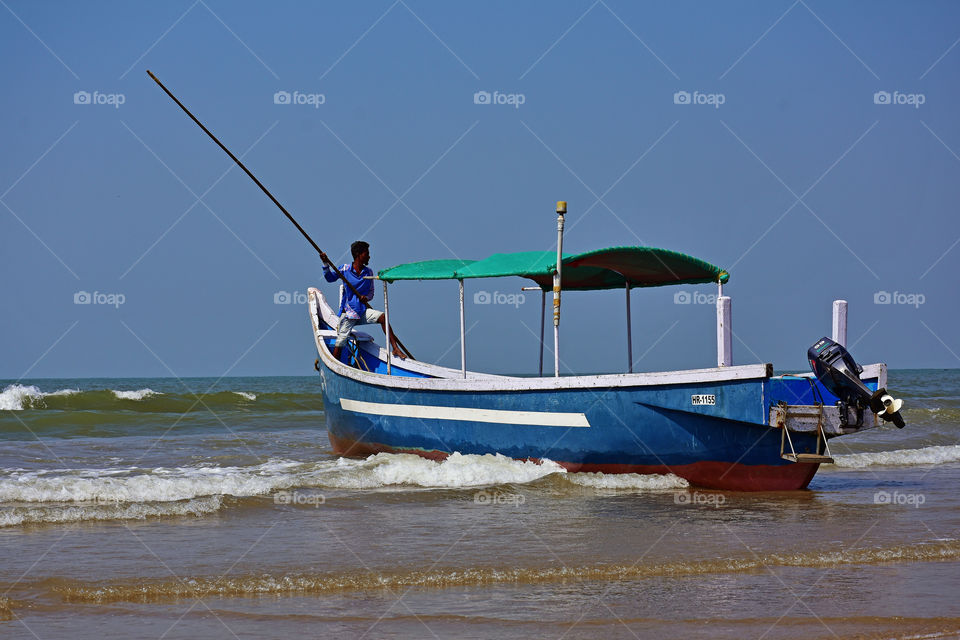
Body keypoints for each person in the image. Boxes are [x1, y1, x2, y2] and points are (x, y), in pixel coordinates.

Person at [319, 241, 404, 362]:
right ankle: (334, 363)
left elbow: (371, 293)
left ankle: (395, 348)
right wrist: (325, 263)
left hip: (362, 312)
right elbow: (329, 278)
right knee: (341, 340)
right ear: (358, 254)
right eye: (366, 253)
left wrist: (366, 298)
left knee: (383, 317)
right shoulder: (345, 269)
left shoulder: (368, 272)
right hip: (348, 313)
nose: (369, 256)